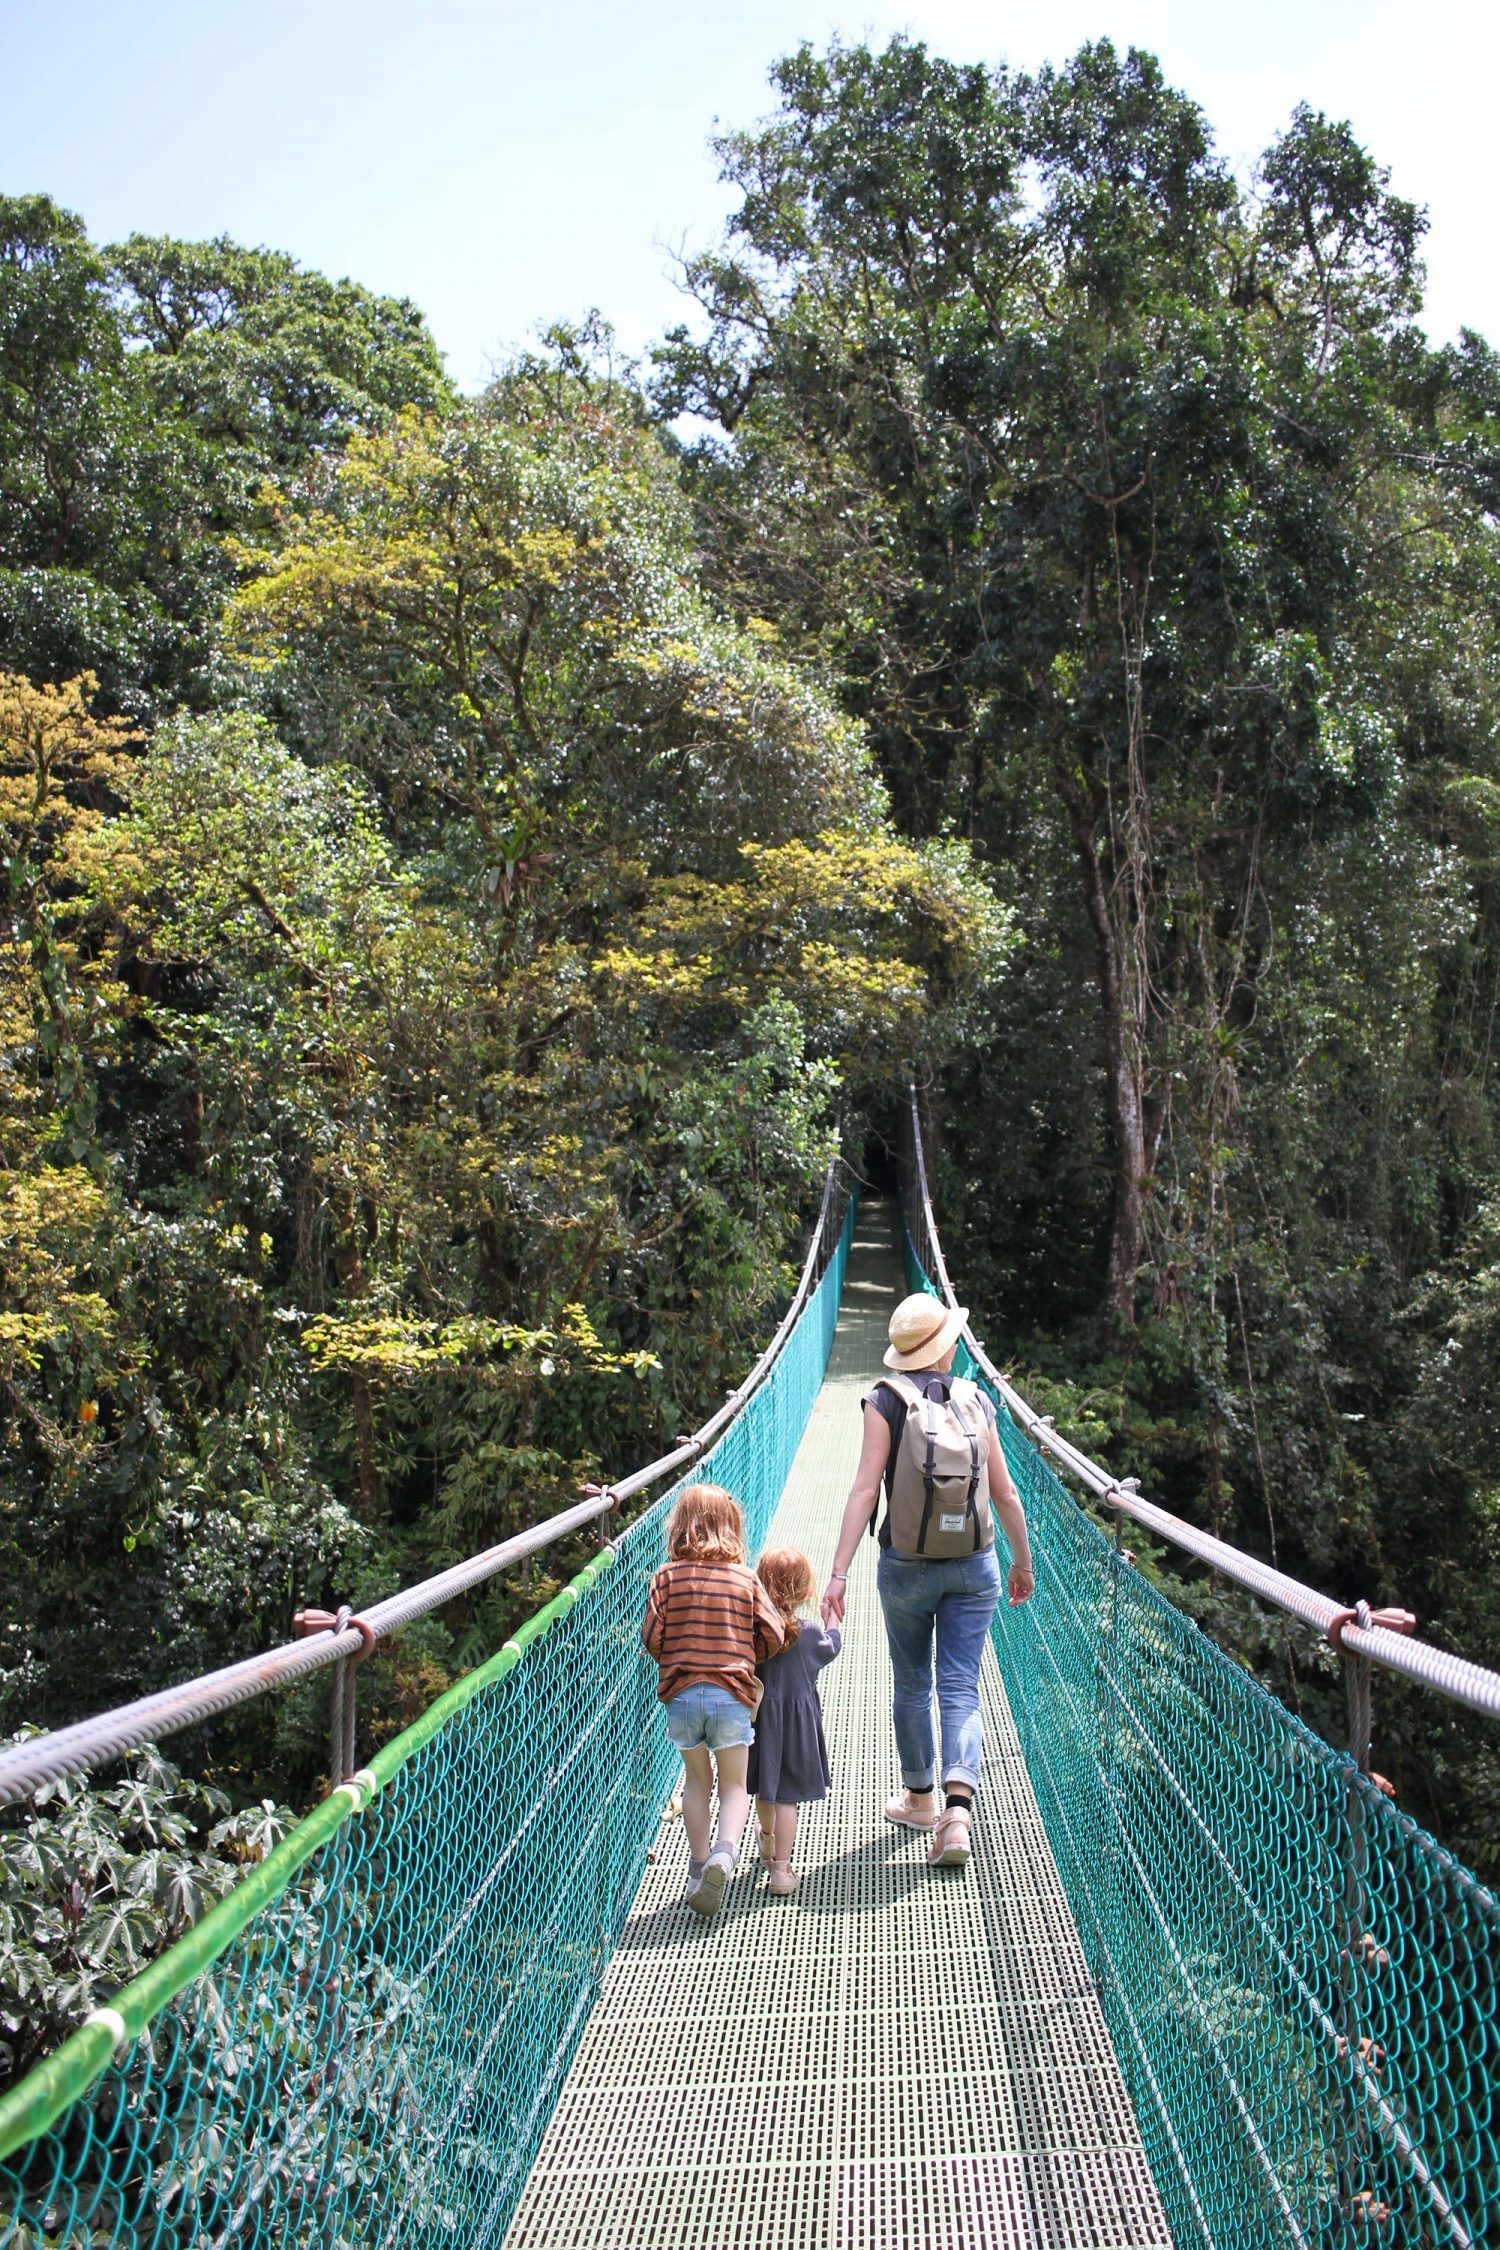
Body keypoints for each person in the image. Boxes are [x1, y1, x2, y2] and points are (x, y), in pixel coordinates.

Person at [821, 1292, 1034, 1871]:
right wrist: (1022, 1561)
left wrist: (838, 1573)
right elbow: (1006, 1494)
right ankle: (958, 1813)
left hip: (906, 1566)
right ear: (947, 1348)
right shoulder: (978, 1401)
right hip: (976, 1563)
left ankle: (919, 1801)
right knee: (962, 1685)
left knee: (913, 1682)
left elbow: (866, 1491)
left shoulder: (884, 1400)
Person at [641, 1482, 786, 1917]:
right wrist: (745, 1655)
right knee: (735, 1784)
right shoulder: (745, 1578)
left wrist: (679, 1657)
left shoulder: (665, 1577)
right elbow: (774, 1634)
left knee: (696, 1783)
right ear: (732, 1527)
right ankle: (726, 1852)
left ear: (680, 1527)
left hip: (682, 1696)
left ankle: (697, 1866)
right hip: (731, 1695)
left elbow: (652, 1638)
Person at [747, 1547, 842, 1898]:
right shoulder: (808, 1632)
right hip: (796, 1726)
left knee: (765, 1787)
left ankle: (767, 1842)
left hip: (760, 1723)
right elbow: (832, 1646)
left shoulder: (755, 1632)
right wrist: (831, 1617)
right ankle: (782, 1871)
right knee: (787, 1798)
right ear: (803, 1590)